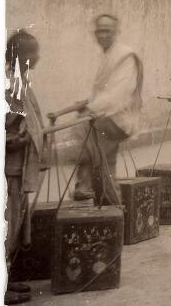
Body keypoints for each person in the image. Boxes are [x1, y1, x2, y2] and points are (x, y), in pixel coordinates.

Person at [52, 14, 143, 204]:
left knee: (99, 161)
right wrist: (86, 103)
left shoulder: (125, 56)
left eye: (107, 31)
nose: (103, 35)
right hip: (105, 117)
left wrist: (91, 107)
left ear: (116, 32)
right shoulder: (106, 55)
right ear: (95, 33)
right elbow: (101, 91)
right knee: (104, 167)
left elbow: (118, 93)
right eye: (99, 31)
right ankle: (110, 210)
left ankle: (84, 185)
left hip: (118, 119)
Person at [5, 30, 45, 306]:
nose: (37, 57)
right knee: (3, 229)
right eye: (31, 53)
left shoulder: (21, 82)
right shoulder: (7, 84)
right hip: (7, 170)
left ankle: (4, 280)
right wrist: (12, 141)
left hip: (19, 168)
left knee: (16, 225)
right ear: (17, 56)